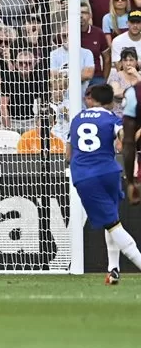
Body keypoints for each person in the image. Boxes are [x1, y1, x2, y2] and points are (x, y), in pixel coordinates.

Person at [70, 84, 141, 285]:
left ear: (90, 99)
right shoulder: (112, 119)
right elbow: (123, 141)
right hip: (110, 171)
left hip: (86, 175)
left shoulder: (76, 120)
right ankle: (113, 269)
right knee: (113, 219)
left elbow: (69, 152)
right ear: (111, 102)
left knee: (112, 224)